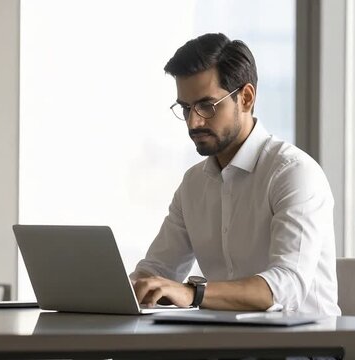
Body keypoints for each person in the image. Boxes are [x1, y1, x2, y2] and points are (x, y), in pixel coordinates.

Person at [130, 33, 341, 316]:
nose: (194, 121)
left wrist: (192, 293)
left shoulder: (293, 173)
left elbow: (286, 286)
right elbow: (157, 269)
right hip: (226, 342)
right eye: (185, 108)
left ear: (246, 97)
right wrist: (121, 290)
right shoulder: (193, 185)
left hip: (302, 345)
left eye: (207, 105)